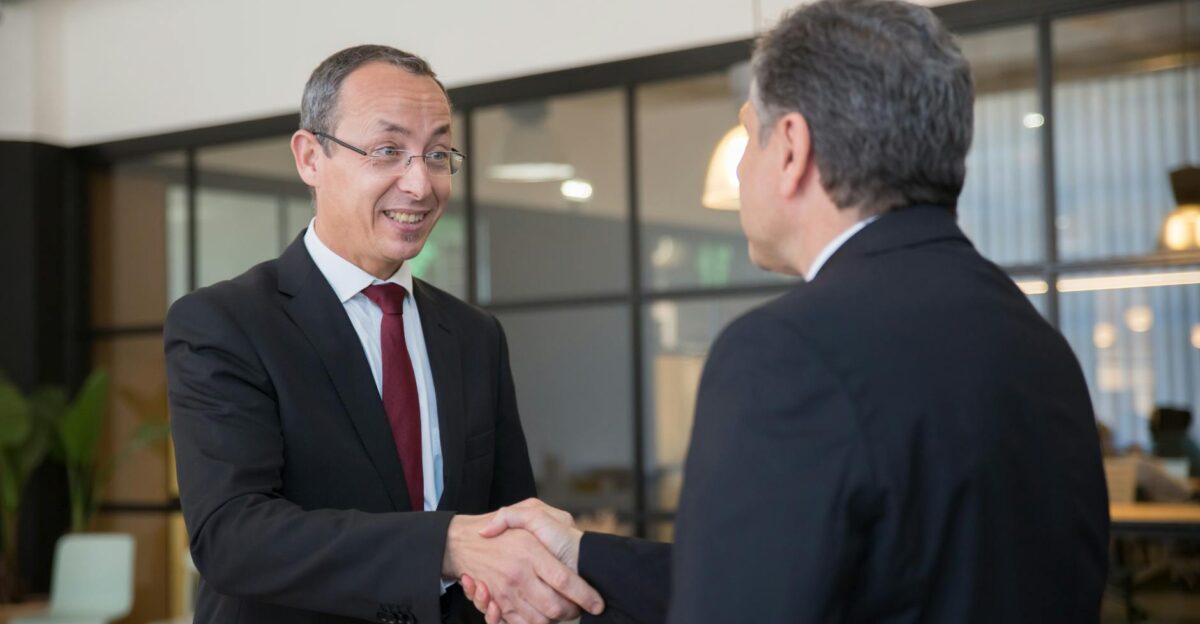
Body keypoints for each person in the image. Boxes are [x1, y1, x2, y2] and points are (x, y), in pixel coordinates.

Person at [461, 1, 1110, 621]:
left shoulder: (786, 352)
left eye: (749, 136)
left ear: (792, 147)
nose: (743, 170)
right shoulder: (1035, 341)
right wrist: (581, 556)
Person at [165, 45, 603, 624]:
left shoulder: (474, 336)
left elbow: (504, 519)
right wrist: (444, 544)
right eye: (388, 150)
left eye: (439, 153)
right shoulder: (226, 322)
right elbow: (232, 536)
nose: (420, 185)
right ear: (310, 157)